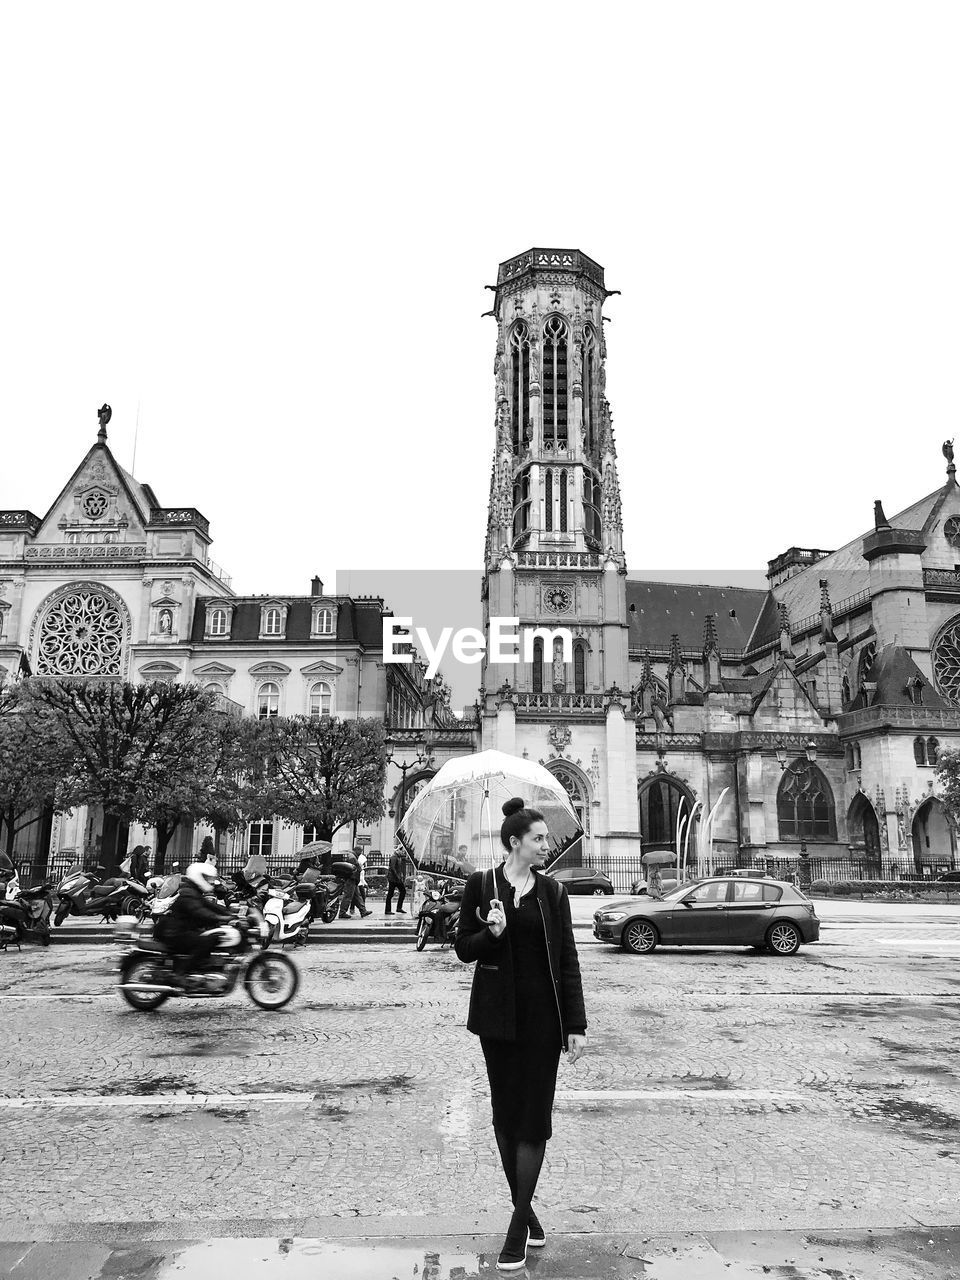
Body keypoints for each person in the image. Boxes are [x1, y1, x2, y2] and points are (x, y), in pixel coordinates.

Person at [455, 797, 587, 1272]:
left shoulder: (553, 893)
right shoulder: (481, 885)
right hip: (496, 1019)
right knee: (505, 1116)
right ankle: (527, 1210)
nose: (545, 844)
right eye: (537, 838)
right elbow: (462, 950)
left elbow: (567, 960)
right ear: (515, 842)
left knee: (534, 1119)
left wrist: (576, 1024)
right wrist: (491, 932)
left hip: (543, 1021)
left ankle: (515, 1229)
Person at [164, 861, 234, 987]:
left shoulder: (194, 892)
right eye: (207, 878)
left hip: (182, 930)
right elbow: (200, 912)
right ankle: (181, 973)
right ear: (198, 877)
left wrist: (230, 913)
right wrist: (220, 918)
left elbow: (210, 905)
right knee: (206, 940)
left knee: (211, 937)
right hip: (176, 933)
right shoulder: (188, 894)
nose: (211, 882)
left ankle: (202, 968)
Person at [336, 848, 372, 919]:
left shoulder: (352, 856)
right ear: (357, 850)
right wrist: (359, 869)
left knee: (357, 896)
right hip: (351, 879)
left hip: (353, 880)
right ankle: (342, 912)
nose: (361, 853)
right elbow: (353, 869)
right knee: (348, 896)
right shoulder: (352, 857)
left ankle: (363, 911)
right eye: (360, 851)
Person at [385, 845, 409, 915]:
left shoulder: (398, 857)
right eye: (402, 851)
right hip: (393, 878)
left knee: (403, 891)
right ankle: (388, 910)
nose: (403, 853)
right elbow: (392, 868)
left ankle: (399, 908)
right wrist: (397, 877)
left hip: (396, 878)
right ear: (398, 850)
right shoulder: (394, 857)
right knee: (391, 894)